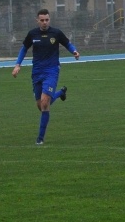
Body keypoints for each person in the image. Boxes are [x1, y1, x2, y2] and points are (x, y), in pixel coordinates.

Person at [12, 8, 80, 145]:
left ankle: (40, 139)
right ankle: (60, 93)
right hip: (37, 71)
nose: (44, 22)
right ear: (37, 20)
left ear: (49, 20)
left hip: (52, 70)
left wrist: (74, 51)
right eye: (42, 20)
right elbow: (24, 49)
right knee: (41, 105)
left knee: (44, 102)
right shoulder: (32, 34)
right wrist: (17, 65)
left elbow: (67, 43)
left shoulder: (56, 33)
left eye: (47, 20)